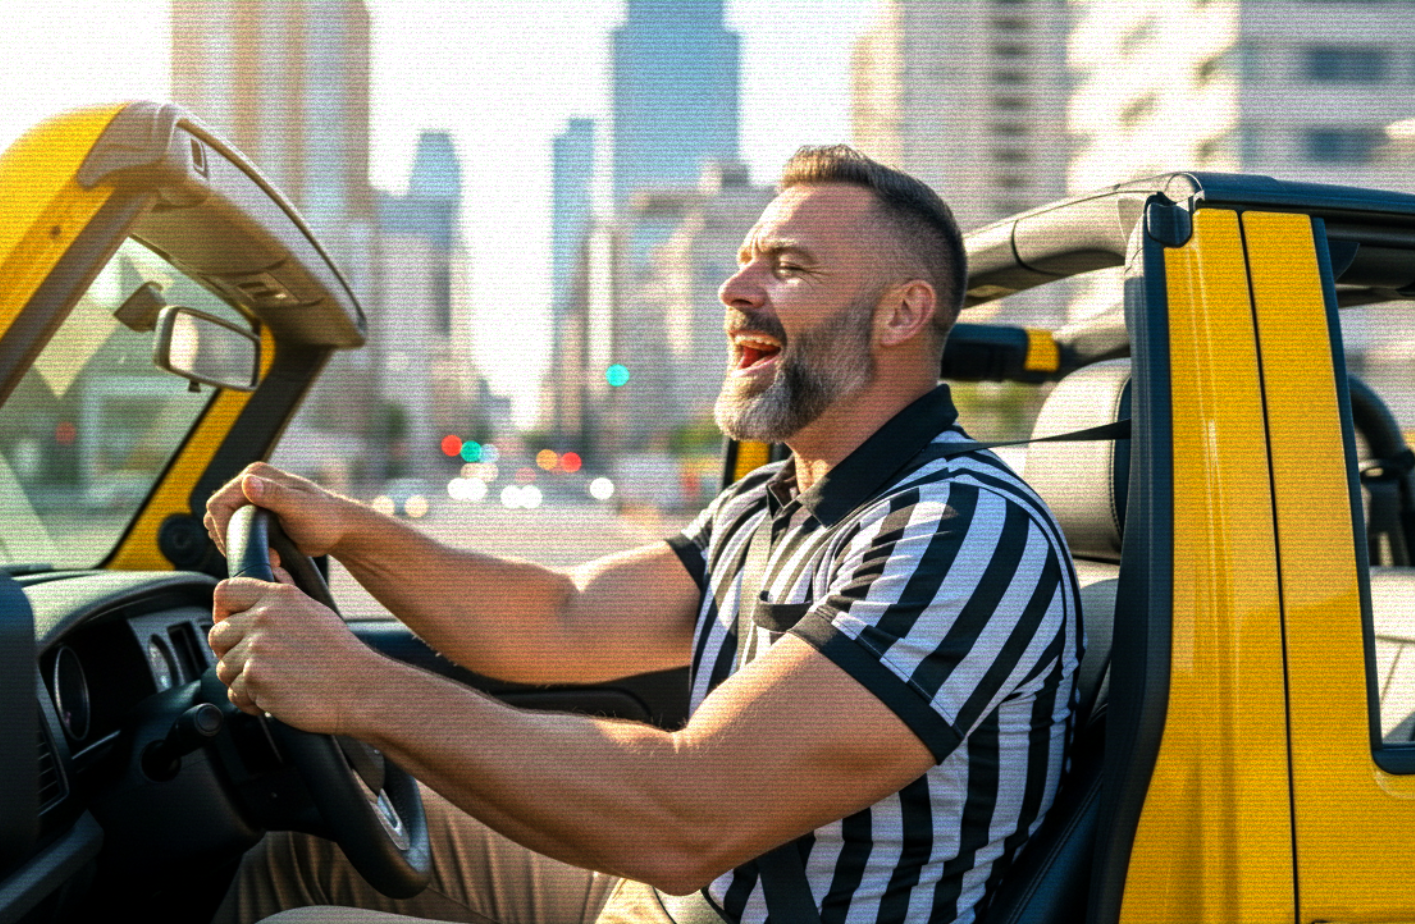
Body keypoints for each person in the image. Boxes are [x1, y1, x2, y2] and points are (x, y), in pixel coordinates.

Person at [204, 145, 1081, 924]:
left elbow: (688, 811)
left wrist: (358, 690)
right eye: (744, 264)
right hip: (673, 898)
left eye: (789, 267)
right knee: (299, 853)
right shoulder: (772, 502)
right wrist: (351, 530)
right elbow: (557, 616)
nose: (735, 291)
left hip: (711, 891)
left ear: (901, 315)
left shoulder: (964, 533)